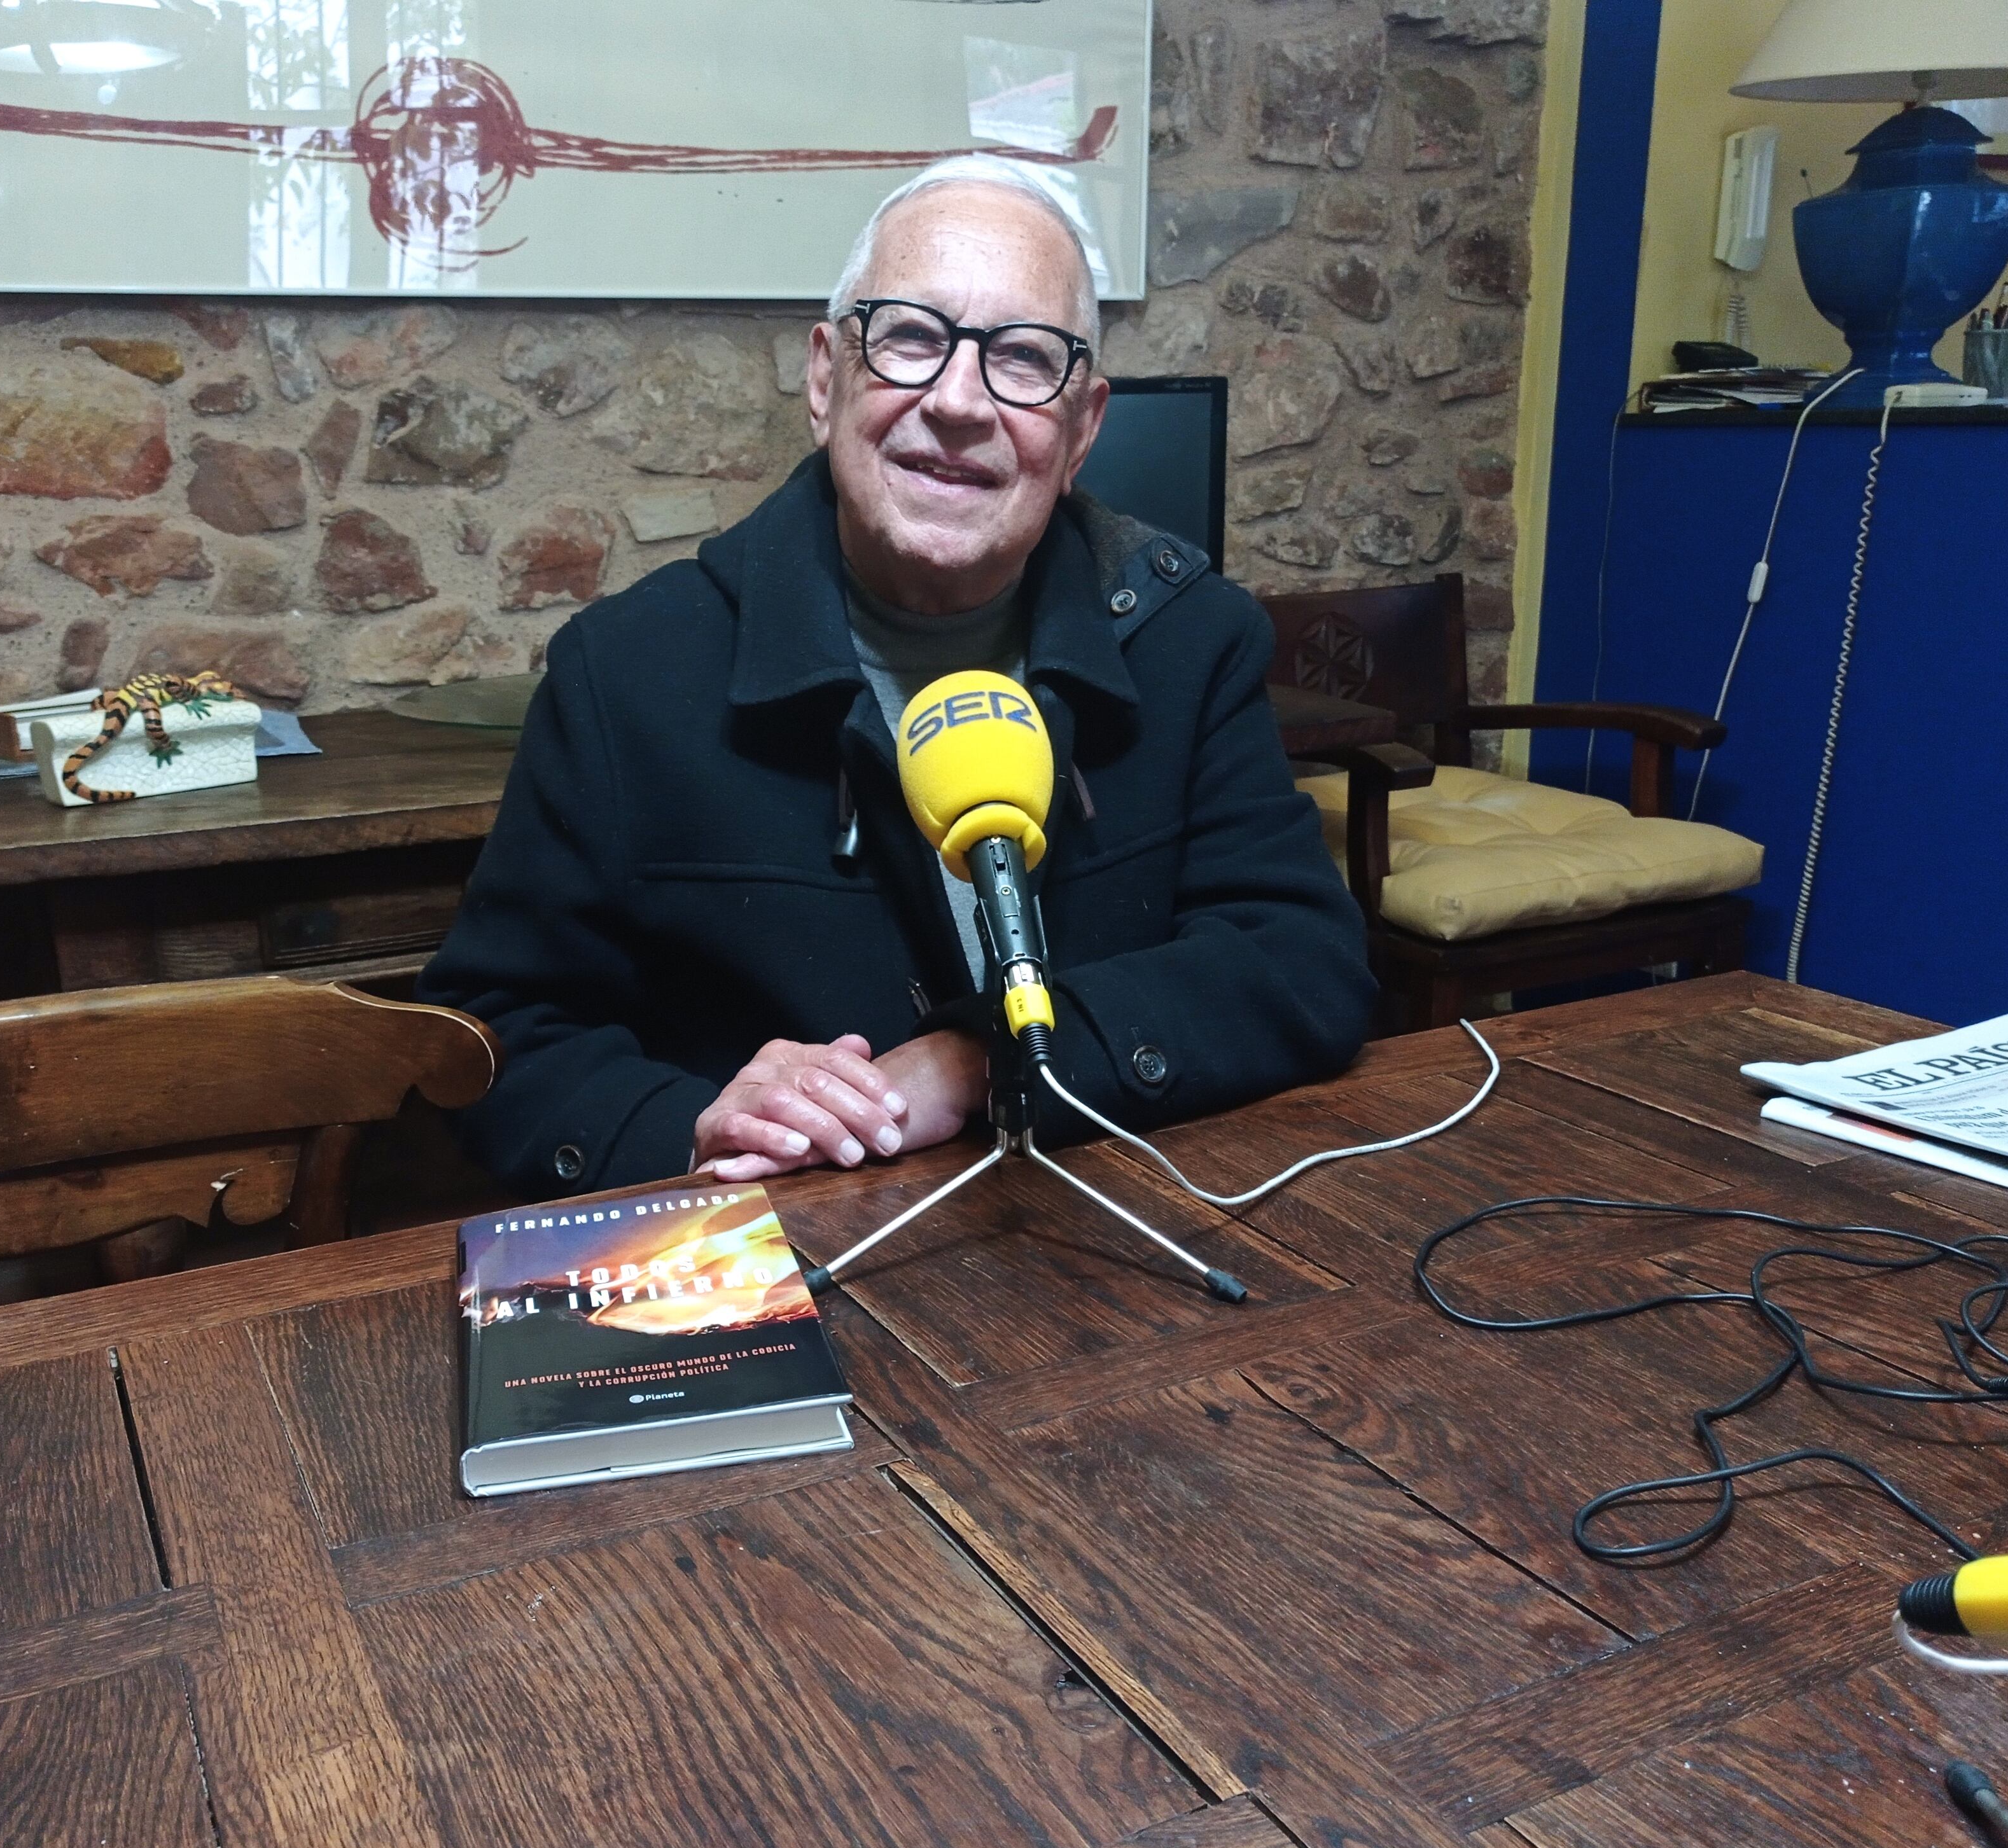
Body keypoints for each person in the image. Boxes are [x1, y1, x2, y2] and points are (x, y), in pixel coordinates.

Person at [416, 156, 1377, 1197]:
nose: (959, 402)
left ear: (1084, 428)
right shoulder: (626, 673)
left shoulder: (1190, 640)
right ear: (826, 380)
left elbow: (1300, 962)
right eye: (914, 337)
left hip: (1109, 1227)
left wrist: (974, 1064)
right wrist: (688, 1124)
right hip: (784, 1256)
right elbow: (492, 1040)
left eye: (1022, 357)